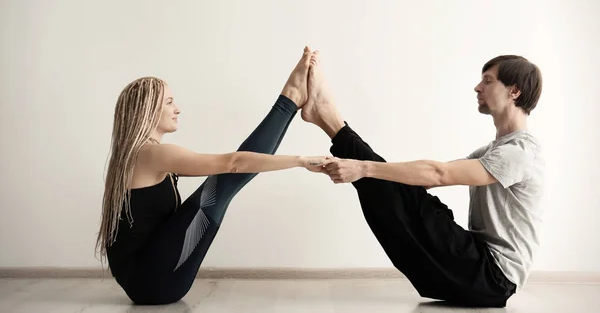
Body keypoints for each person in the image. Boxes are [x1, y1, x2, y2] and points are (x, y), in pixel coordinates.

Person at [302, 52, 545, 308]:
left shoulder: (520, 153)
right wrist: (364, 169)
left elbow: (439, 173)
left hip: (493, 277)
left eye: (488, 80)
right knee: (398, 192)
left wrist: (363, 168)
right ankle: (325, 117)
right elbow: (426, 180)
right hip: (479, 270)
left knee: (393, 189)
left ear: (514, 91)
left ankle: (327, 116)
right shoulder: (492, 152)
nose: (478, 87)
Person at [95, 47, 331, 305]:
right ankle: (290, 100)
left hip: (147, 281)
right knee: (218, 186)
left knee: (219, 185)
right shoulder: (150, 154)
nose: (178, 109)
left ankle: (291, 100)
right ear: (148, 110)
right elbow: (233, 163)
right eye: (169, 102)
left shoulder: (137, 156)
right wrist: (300, 161)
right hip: (153, 283)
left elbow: (233, 165)